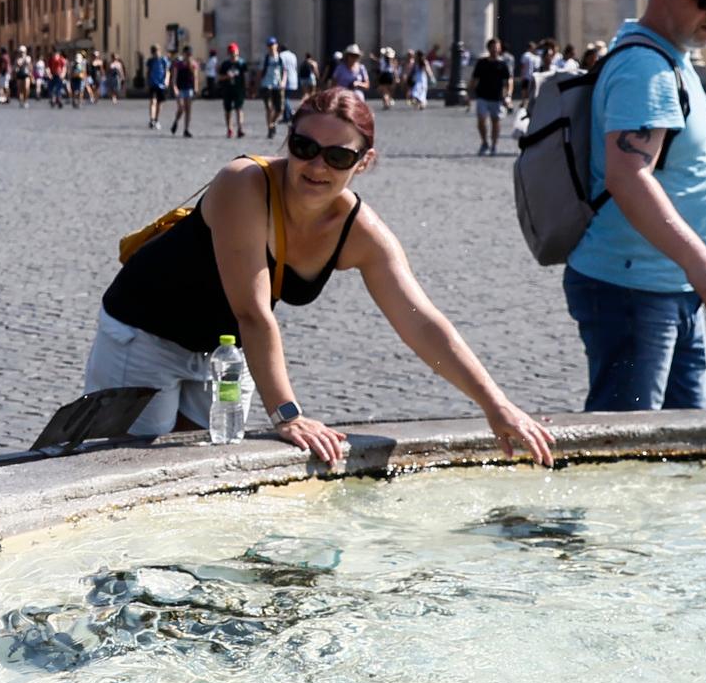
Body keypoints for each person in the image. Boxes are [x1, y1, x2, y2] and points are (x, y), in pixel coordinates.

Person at [86, 87, 554, 462]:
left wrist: (496, 405)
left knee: (202, 470)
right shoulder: (243, 184)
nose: (316, 166)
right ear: (286, 140)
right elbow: (252, 312)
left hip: (225, 355)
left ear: (364, 162)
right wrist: (287, 414)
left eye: (338, 157)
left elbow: (422, 323)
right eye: (304, 147)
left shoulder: (359, 231)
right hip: (143, 337)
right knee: (125, 470)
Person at [563, 0, 706, 413]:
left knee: (684, 444)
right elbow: (628, 177)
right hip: (635, 291)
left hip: (666, 285)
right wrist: (699, 260)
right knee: (627, 450)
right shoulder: (647, 69)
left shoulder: (669, 58)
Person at [469, 34, 511, 155]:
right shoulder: (482, 63)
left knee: (495, 121)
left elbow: (508, 80)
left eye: (497, 47)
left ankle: (494, 145)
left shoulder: (503, 64)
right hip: (482, 95)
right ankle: (484, 142)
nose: (495, 50)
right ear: (488, 48)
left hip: (497, 97)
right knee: (481, 120)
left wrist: (508, 95)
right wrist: (469, 94)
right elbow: (474, 79)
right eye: (493, 47)